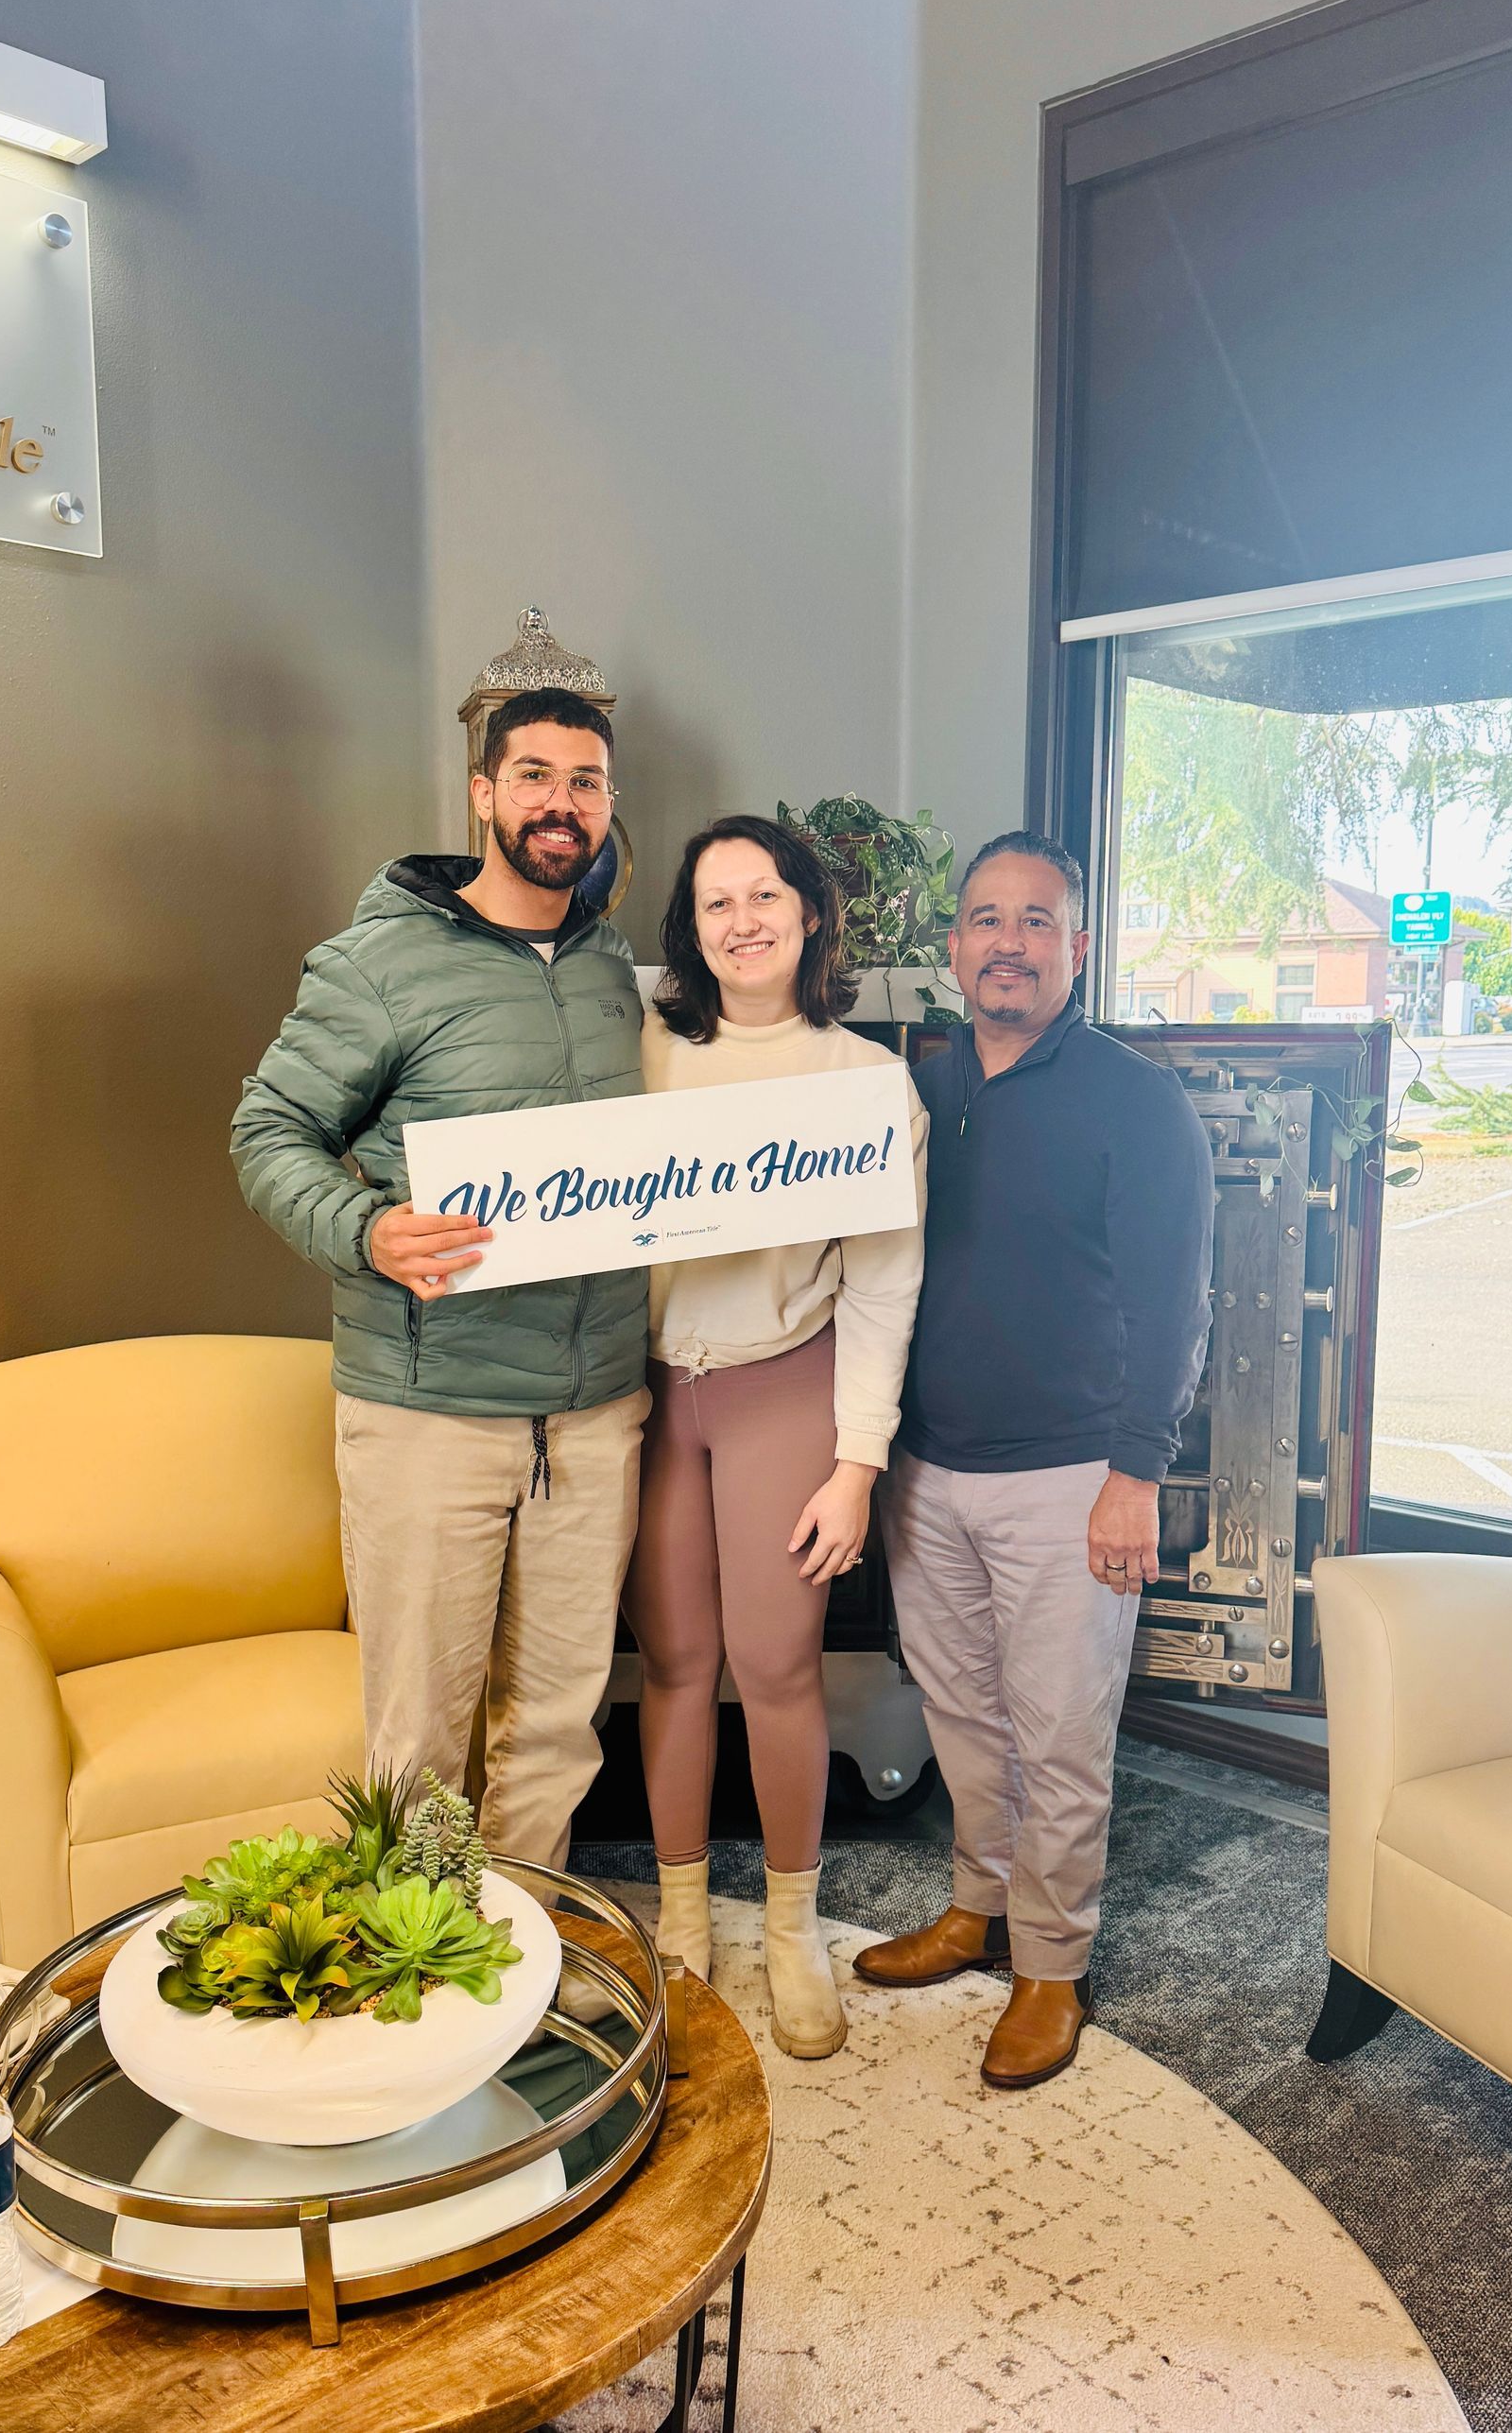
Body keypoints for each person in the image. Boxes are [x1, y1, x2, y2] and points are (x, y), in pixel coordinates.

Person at [231, 688, 650, 1870]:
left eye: (585, 781)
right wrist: (365, 1231)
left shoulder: (617, 966)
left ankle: (526, 1970)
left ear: (609, 803)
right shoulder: (375, 965)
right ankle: (420, 2001)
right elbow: (268, 1133)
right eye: (533, 776)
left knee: (560, 1729)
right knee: (419, 1745)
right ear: (483, 793)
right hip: (428, 1411)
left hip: (595, 1412)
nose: (559, 803)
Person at [854, 830, 1212, 2089]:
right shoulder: (923, 1089)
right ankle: (976, 1905)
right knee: (963, 1716)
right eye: (987, 919)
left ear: (1076, 948)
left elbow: (1176, 1304)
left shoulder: (1136, 1099)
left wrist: (1137, 1472)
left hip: (1074, 1478)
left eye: (1036, 921)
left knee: (1059, 1733)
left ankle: (1051, 1965)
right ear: (953, 947)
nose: (1009, 943)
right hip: (931, 1470)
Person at [626, 815, 927, 2059]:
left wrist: (857, 1467)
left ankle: (794, 1927)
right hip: (648, 1393)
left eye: (765, 894)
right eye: (716, 903)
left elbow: (884, 1285)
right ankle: (687, 1920)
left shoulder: (866, 1082)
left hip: (783, 1385)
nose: (742, 919)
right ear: (691, 932)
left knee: (778, 1659)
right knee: (677, 1661)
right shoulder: (635, 1055)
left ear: (809, 913)